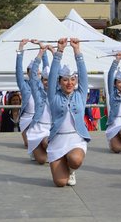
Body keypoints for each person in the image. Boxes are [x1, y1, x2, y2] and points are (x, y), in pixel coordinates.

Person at [47, 38, 91, 187]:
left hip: (75, 139)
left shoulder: (80, 94)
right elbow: (52, 75)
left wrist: (76, 50)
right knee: (60, 183)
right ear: (59, 82)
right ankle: (62, 164)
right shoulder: (53, 96)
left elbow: (84, 75)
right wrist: (59, 51)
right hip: (58, 140)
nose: (69, 83)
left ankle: (71, 169)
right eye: (65, 80)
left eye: (72, 79)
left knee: (76, 160)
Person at [16, 39, 49, 147]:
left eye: (37, 71)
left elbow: (47, 67)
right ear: (28, 72)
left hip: (39, 117)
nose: (36, 73)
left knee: (40, 144)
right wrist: (21, 48)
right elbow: (18, 69)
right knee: (28, 144)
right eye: (33, 71)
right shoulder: (24, 85)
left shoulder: (41, 84)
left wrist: (42, 48)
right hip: (26, 118)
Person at [27, 42, 55, 164]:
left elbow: (56, 69)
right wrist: (41, 52)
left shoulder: (57, 92)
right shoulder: (37, 92)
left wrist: (54, 53)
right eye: (44, 80)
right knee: (42, 160)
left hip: (52, 128)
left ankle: (47, 148)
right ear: (41, 80)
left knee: (47, 143)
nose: (47, 82)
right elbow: (33, 75)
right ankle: (36, 149)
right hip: (38, 128)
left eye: (50, 79)